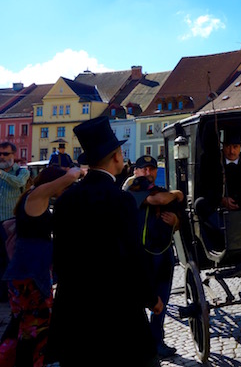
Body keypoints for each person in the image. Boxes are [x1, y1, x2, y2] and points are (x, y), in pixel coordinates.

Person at [47, 117, 163, 367]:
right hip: (116, 312)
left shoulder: (66, 200)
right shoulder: (120, 200)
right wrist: (151, 298)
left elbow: (59, 259)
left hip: (75, 313)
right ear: (117, 156)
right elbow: (134, 256)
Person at [0, 166, 83, 367]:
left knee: (21, 325)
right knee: (35, 330)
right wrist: (79, 171)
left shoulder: (34, 198)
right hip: (31, 275)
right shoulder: (37, 195)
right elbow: (71, 176)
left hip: (25, 272)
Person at [125, 155, 183, 359]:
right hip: (142, 255)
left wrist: (176, 220)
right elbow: (158, 200)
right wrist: (176, 193)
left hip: (164, 252)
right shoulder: (132, 189)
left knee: (163, 299)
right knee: (140, 299)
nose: (148, 173)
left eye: (152, 169)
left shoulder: (160, 189)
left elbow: (178, 220)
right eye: (144, 169)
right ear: (136, 171)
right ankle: (139, 344)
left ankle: (157, 341)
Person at [0, 141, 30, 302]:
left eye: (6, 154)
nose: (2, 157)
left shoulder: (21, 172)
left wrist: (1, 174)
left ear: (14, 155)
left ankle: (10, 293)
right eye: (0, 154)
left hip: (11, 223)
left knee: (10, 258)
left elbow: (19, 183)